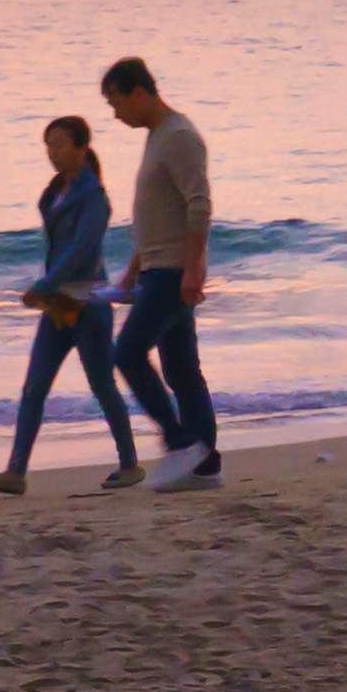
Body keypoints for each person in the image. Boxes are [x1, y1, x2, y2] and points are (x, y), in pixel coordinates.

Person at [0, 114, 140, 496]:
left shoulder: (94, 197)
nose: (52, 152)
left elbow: (81, 249)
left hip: (88, 305)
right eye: (48, 145)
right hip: (58, 307)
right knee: (34, 387)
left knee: (102, 385)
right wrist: (48, 289)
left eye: (61, 144)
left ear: (82, 148)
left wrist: (45, 284)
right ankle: (16, 472)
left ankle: (130, 463)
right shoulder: (57, 192)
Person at [101, 55, 223, 490]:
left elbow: (198, 204)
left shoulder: (180, 136)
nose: (115, 114)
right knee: (181, 370)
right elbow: (157, 213)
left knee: (127, 353)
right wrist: (133, 269)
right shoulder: (157, 136)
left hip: (174, 271)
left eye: (116, 102)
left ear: (139, 92)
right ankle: (204, 465)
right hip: (156, 268)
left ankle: (180, 440)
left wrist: (193, 270)